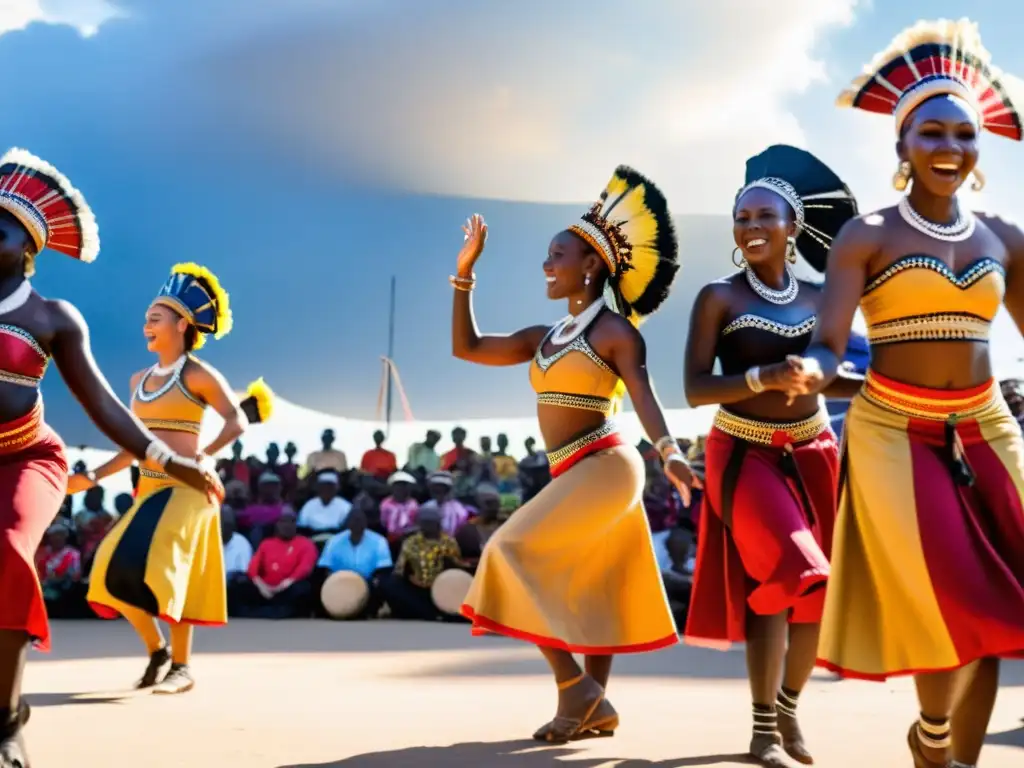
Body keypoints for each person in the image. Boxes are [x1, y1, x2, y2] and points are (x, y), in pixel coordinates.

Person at [781, 19, 1024, 768]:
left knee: (1002, 601)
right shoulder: (868, 235)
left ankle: (946, 751)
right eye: (931, 133)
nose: (950, 147)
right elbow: (829, 341)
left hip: (985, 423)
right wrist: (815, 372)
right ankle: (938, 740)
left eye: (964, 134)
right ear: (901, 146)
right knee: (954, 590)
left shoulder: (1005, 239)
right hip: (893, 430)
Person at [451, 166, 697, 744]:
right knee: (597, 585)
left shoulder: (615, 332)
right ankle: (590, 708)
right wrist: (465, 276)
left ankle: (577, 688)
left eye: (557, 254)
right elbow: (466, 348)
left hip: (608, 465)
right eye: (547, 254)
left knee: (507, 547)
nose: (547, 263)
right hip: (573, 470)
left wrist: (670, 452)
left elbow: (644, 394)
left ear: (590, 264)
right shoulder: (543, 335)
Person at [0, 148, 221, 768]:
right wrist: (99, 476)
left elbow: (102, 408)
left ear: (28, 247)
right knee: (113, 572)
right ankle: (160, 655)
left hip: (27, 457)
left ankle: (5, 723)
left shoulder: (51, 318)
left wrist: (181, 462)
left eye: (2, 223)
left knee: (11, 552)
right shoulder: (145, 374)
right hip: (138, 481)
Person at [682, 145, 860, 767]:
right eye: (742, 217)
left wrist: (888, 388)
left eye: (764, 216)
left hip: (815, 451)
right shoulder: (719, 297)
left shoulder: (823, 298)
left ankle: (784, 709)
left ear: (793, 227)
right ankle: (762, 736)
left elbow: (833, 378)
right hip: (742, 454)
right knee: (789, 569)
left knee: (815, 595)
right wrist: (760, 378)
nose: (751, 227)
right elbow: (695, 387)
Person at [72, 263, 272, 696]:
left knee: (166, 569)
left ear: (182, 324)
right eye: (146, 319)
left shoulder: (198, 374)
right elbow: (132, 444)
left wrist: (203, 455)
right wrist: (89, 477)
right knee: (107, 566)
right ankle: (157, 650)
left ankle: (183, 667)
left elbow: (235, 422)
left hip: (190, 488)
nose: (147, 325)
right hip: (149, 488)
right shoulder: (137, 381)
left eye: (155, 319)